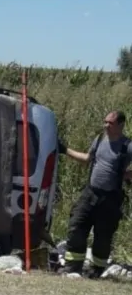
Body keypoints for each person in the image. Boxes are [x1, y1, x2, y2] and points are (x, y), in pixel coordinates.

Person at [58, 110, 132, 278]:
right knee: (76, 225)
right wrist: (64, 149)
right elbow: (86, 159)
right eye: (105, 122)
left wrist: (127, 175)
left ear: (120, 125)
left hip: (110, 199)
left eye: (110, 123)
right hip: (90, 193)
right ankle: (72, 267)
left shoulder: (127, 146)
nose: (105, 125)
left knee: (103, 236)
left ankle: (96, 271)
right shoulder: (99, 140)